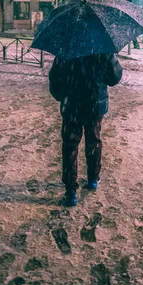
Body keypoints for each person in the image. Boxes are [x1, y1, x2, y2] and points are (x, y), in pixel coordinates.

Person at [49, 53, 123, 207]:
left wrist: (64, 97)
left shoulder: (65, 51)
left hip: (71, 106)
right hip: (94, 104)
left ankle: (70, 191)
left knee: (70, 146)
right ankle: (93, 178)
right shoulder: (102, 50)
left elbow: (54, 81)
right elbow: (114, 78)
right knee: (93, 140)